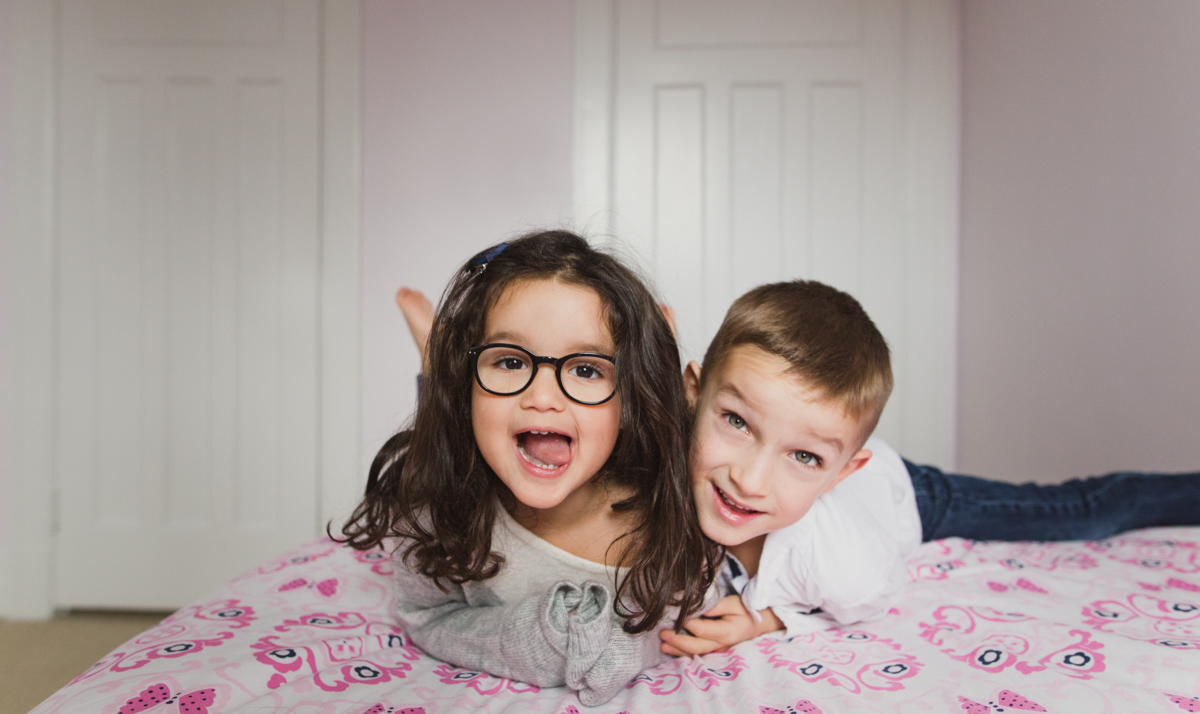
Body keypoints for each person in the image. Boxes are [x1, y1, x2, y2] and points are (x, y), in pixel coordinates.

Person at [658, 280, 1200, 657]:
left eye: (804, 457)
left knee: (1080, 511)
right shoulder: (670, 451)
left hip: (910, 496)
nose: (748, 480)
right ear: (693, 396)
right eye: (736, 421)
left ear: (841, 473)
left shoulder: (845, 566)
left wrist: (769, 617)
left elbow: (881, 590)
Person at [339, 230, 720, 706]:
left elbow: (694, 613)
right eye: (511, 360)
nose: (542, 398)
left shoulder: (668, 514)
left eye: (586, 369)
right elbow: (425, 615)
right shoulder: (433, 512)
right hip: (461, 404)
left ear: (628, 400)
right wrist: (534, 640)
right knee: (444, 418)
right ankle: (439, 361)